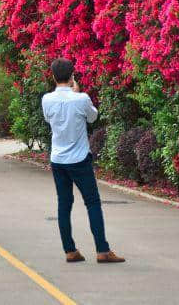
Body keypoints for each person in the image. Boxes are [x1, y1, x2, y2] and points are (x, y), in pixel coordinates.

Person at [42, 58, 125, 264]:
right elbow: (93, 117)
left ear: (53, 76)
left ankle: (70, 250)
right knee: (92, 202)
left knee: (64, 203)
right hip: (79, 159)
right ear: (72, 76)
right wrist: (77, 93)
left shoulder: (47, 99)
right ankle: (102, 250)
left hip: (58, 159)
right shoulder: (81, 99)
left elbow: (48, 119)